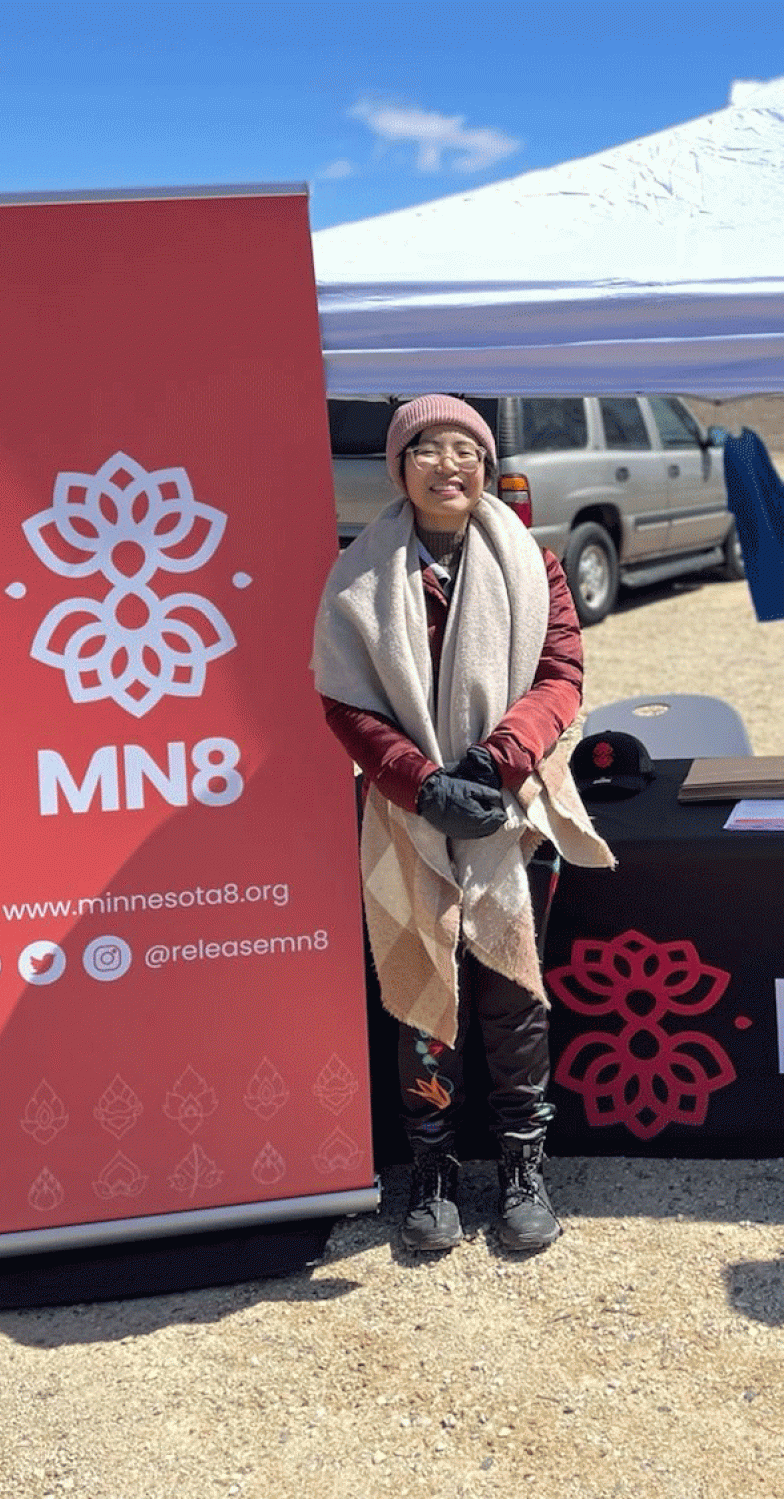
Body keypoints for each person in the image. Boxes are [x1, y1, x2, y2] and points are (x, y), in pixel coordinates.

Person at [312, 395, 613, 1255]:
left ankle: (524, 1163)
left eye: (466, 450)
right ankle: (434, 1168)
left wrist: (495, 761)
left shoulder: (537, 565)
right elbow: (343, 699)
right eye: (429, 451)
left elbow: (561, 674)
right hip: (408, 818)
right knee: (422, 985)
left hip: (512, 810)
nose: (451, 466)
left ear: (486, 466)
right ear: (399, 468)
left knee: (513, 991)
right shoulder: (359, 576)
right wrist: (420, 782)